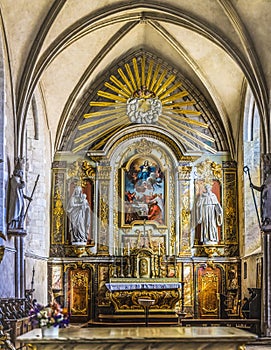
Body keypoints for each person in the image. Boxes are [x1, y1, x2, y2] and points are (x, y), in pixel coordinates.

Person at [8, 159, 31, 231]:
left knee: (20, 210)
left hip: (19, 198)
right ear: (18, 172)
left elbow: (21, 192)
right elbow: (20, 186)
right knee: (15, 212)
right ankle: (12, 226)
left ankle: (18, 225)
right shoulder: (14, 179)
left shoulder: (17, 179)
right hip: (15, 199)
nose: (22, 174)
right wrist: (23, 181)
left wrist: (27, 198)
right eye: (22, 172)